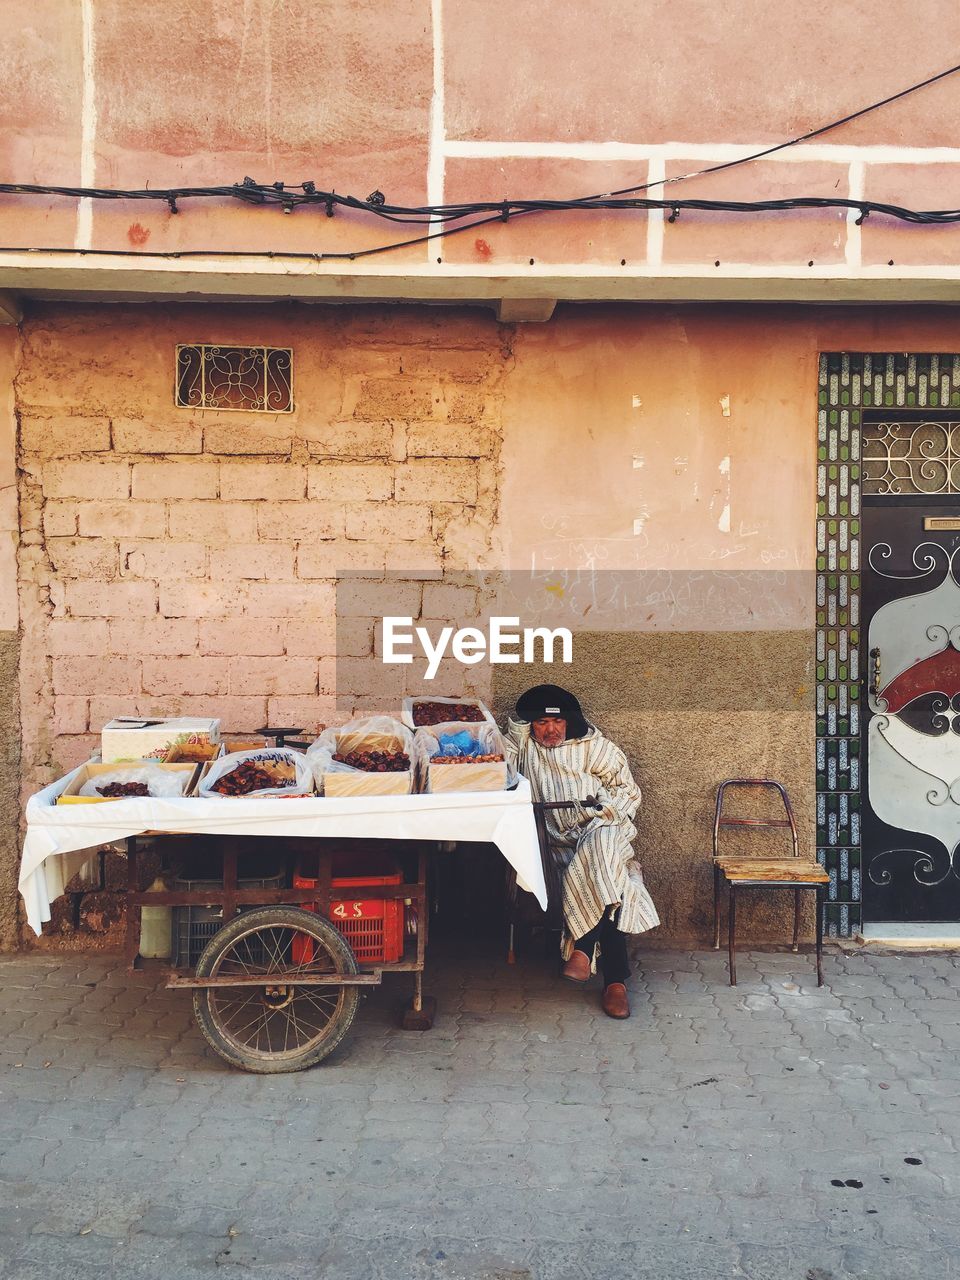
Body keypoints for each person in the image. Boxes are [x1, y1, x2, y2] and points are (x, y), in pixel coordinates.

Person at [505, 683, 659, 1019]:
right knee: (613, 880)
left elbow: (627, 791)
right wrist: (521, 724)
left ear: (568, 723)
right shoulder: (526, 747)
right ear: (532, 725)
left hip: (604, 829)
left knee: (602, 845)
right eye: (542, 722)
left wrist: (604, 814)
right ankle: (615, 983)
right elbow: (506, 752)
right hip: (558, 845)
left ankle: (584, 949)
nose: (550, 730)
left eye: (557, 723)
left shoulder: (594, 747)